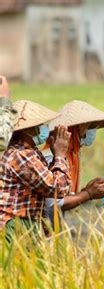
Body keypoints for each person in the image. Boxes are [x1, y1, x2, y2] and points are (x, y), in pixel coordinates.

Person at [0, 100, 71, 241]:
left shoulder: (30, 152)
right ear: (27, 130)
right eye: (39, 125)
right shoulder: (22, 155)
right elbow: (57, 188)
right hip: (16, 224)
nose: (43, 128)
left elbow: (46, 182)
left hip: (25, 223)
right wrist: (60, 155)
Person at [42, 100, 104, 220]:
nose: (91, 131)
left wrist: (87, 191)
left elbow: (63, 194)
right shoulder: (52, 157)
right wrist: (88, 194)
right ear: (74, 129)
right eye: (88, 126)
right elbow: (53, 203)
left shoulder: (71, 155)